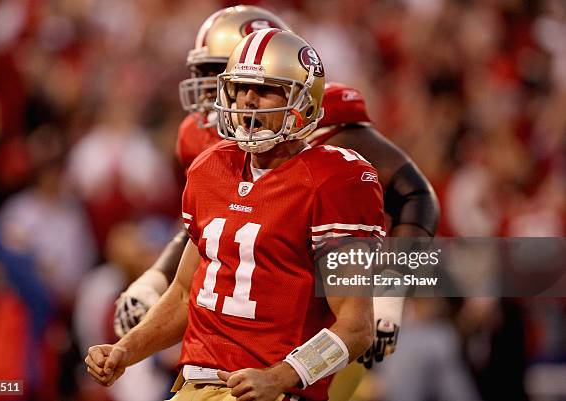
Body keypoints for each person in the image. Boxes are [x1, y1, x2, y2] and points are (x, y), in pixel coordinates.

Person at [114, 4, 438, 366]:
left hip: (320, 320)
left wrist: (388, 294)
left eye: (218, 71)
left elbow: (416, 196)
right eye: (225, 80)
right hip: (241, 330)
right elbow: (213, 229)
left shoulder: (328, 124)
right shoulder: (200, 137)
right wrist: (155, 279)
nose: (231, 97)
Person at [87, 30, 383, 401]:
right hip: (193, 386)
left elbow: (357, 328)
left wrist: (279, 377)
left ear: (303, 101)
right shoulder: (211, 167)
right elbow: (183, 295)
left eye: (264, 89)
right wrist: (126, 350)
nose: (248, 100)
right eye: (241, 87)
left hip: (271, 392)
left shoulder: (335, 180)